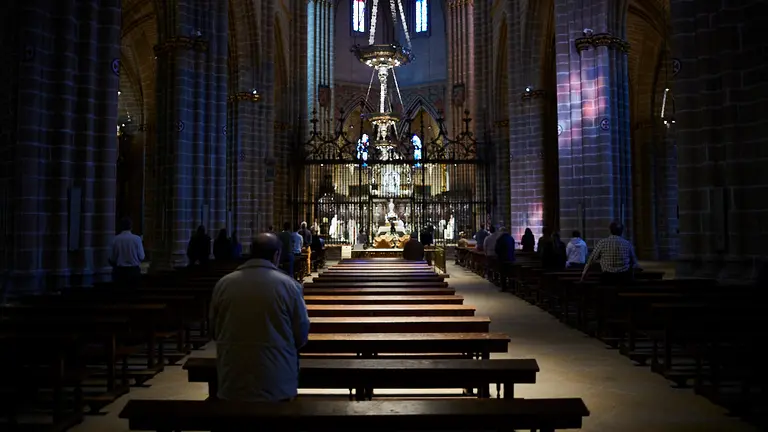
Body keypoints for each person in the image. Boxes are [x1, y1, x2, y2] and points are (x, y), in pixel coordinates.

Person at [209, 233, 310, 402]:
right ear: (276, 255)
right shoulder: (289, 286)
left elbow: (214, 330)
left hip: (233, 379)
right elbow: (301, 334)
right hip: (277, 381)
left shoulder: (224, 284)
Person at [109, 217, 144, 290]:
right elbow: (141, 256)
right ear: (131, 227)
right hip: (133, 271)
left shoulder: (116, 239)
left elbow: (112, 258)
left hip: (120, 272)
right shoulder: (137, 239)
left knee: (121, 294)